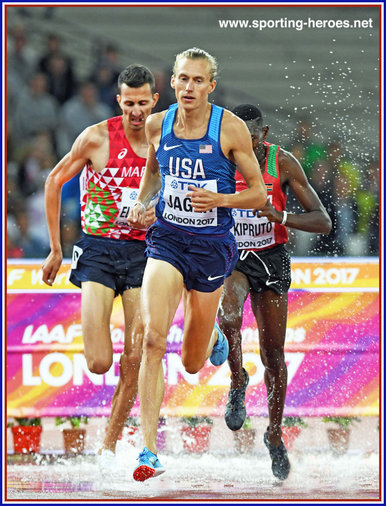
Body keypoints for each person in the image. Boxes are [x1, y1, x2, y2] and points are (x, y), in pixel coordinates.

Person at [128, 48, 267, 482]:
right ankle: (148, 450)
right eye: (182, 79)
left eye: (197, 80)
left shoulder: (230, 128)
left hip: (211, 248)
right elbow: (153, 172)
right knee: (152, 338)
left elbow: (259, 194)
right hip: (167, 240)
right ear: (171, 82)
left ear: (211, 86)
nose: (188, 87)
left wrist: (220, 199)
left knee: (191, 362)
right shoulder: (157, 124)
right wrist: (141, 202)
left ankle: (211, 345)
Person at [41, 64, 159, 476]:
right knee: (98, 363)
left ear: (154, 101)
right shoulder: (95, 137)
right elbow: (54, 181)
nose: (137, 112)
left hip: (144, 255)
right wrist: (56, 248)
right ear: (119, 101)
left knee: (136, 356)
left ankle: (108, 445)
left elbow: (185, 192)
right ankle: (108, 439)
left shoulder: (166, 140)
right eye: (129, 104)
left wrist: (155, 214)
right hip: (96, 251)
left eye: (143, 103)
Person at [218, 104, 332, 480]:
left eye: (250, 139)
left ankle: (273, 433)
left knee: (273, 354)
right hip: (234, 257)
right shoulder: (218, 158)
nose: (243, 147)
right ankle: (237, 380)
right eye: (237, 138)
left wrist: (281, 217)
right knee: (228, 314)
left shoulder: (282, 163)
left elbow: (323, 221)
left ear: (263, 134)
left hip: (271, 257)